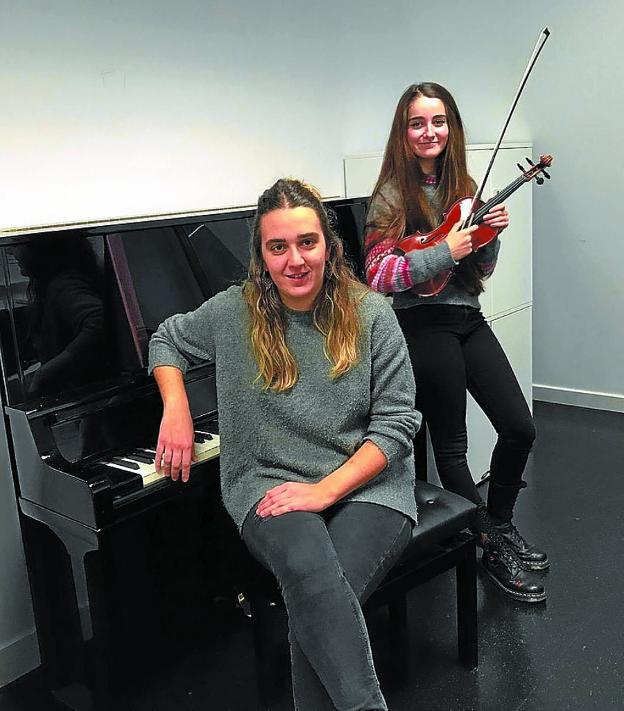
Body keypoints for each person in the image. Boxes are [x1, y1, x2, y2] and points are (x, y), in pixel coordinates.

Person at [148, 178, 420, 710]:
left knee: (316, 605)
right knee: (311, 574)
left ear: (328, 245)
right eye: (278, 247)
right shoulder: (235, 311)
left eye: (308, 242)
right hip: (268, 482)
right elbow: (166, 338)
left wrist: (324, 491)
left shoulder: (371, 314)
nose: (296, 260)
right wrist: (176, 406)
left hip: (368, 482)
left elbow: (396, 426)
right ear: (261, 255)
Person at [363, 82, 548, 603]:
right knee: (453, 449)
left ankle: (499, 523)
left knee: (519, 427)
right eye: (418, 123)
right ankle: (487, 550)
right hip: (423, 326)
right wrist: (443, 251)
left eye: (438, 121)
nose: (429, 132)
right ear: (404, 131)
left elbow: (480, 271)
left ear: (451, 127)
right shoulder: (391, 194)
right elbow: (378, 274)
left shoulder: (465, 184)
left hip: (468, 317)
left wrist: (491, 236)